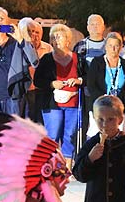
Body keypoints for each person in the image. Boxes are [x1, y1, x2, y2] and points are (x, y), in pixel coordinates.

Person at [34, 23, 86, 170]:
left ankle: (67, 165)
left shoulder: (78, 59)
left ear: (68, 40)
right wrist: (52, 84)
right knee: (53, 134)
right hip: (52, 104)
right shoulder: (46, 59)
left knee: (69, 135)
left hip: (74, 103)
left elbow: (88, 78)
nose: (56, 39)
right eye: (53, 37)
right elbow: (37, 80)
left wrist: (78, 81)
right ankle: (51, 165)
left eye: (60, 36)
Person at [0, 7, 38, 115]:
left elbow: (34, 61)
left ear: (8, 22)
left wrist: (20, 39)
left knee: (11, 130)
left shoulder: (15, 43)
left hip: (12, 97)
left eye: (2, 18)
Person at [88, 32, 125, 127]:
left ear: (121, 47)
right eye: (110, 45)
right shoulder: (97, 62)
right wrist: (104, 101)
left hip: (119, 107)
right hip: (100, 107)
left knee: (118, 138)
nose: (113, 49)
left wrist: (118, 101)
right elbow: (91, 85)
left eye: (116, 46)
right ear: (105, 46)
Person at [18, 18, 53, 123]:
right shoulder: (20, 47)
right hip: (24, 90)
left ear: (41, 34)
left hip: (41, 90)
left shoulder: (48, 48)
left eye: (37, 32)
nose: (34, 35)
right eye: (31, 32)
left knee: (38, 122)